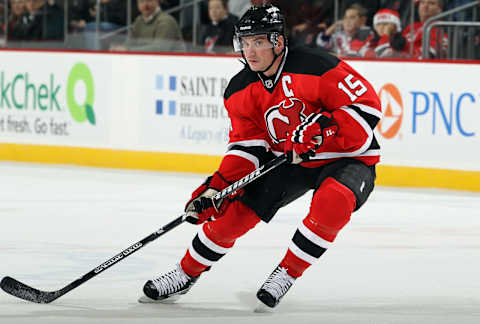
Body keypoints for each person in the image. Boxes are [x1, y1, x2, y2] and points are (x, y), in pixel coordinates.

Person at [139, 4, 382, 309]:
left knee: (332, 202)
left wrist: (324, 128)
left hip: (347, 157)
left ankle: (287, 272)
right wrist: (218, 186)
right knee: (233, 213)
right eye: (245, 42)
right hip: (289, 159)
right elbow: (247, 148)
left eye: (258, 42)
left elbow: (368, 108)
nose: (250, 51)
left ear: (278, 42)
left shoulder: (317, 65)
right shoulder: (239, 90)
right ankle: (185, 273)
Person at [111, 0, 184, 52]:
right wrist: (119, 49)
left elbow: (160, 49)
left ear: (157, 1)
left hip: (171, 67)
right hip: (149, 65)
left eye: (149, 0)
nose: (145, 5)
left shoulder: (166, 21)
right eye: (141, 1)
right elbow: (129, 43)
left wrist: (128, 50)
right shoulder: (139, 21)